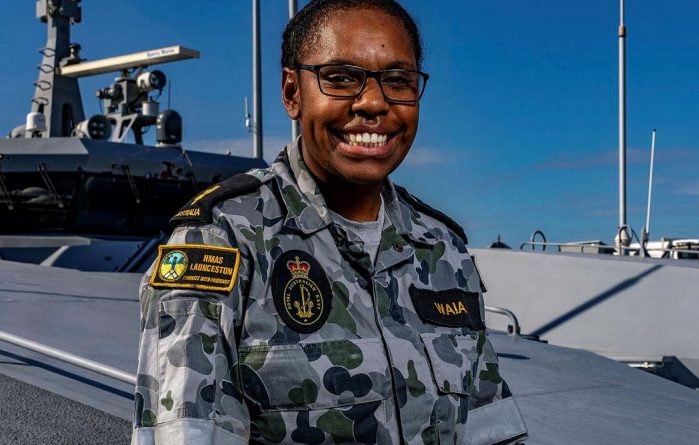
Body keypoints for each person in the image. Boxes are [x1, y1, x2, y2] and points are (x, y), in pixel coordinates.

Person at [131, 0, 528, 443]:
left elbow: (491, 430)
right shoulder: (222, 241)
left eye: (398, 80)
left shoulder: (442, 250)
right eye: (341, 78)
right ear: (291, 93)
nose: (374, 103)